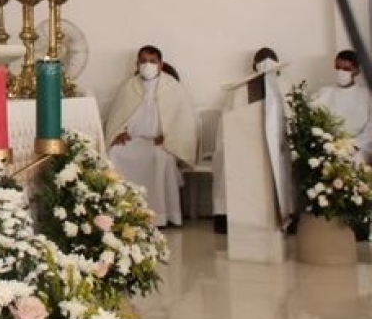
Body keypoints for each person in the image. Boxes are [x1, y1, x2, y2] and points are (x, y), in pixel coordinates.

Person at [103, 45, 198, 228]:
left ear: (161, 64)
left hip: (158, 143)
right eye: (143, 61)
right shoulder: (128, 86)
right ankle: (119, 211)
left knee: (161, 158)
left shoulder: (173, 87)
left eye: (152, 61)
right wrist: (118, 133)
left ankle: (160, 216)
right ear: (137, 63)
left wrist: (169, 137)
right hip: (133, 140)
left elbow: (183, 119)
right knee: (114, 154)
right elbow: (117, 116)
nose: (148, 65)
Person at [211, 47, 285, 234]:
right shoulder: (242, 88)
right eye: (262, 60)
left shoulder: (284, 86)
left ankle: (283, 214)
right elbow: (229, 118)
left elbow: (289, 118)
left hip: (275, 143)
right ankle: (224, 215)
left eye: (270, 60)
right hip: (244, 142)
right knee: (226, 160)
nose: (266, 64)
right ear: (254, 65)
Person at [313, 49, 372, 162]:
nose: (341, 72)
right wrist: (332, 145)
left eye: (346, 69)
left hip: (360, 147)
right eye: (338, 67)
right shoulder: (324, 93)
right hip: (330, 145)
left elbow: (371, 128)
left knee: (355, 161)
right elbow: (316, 123)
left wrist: (353, 146)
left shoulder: (366, 95)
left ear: (357, 71)